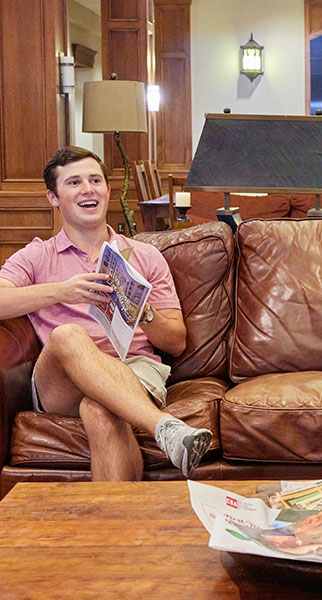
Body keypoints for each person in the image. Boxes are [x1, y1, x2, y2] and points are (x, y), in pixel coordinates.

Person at [0, 146, 212, 481]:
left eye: (95, 180)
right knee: (68, 334)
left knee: (100, 408)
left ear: (107, 191)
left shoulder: (144, 256)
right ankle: (164, 428)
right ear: (53, 198)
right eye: (74, 183)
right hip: (62, 378)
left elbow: (175, 343)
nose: (88, 189)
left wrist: (141, 311)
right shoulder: (38, 255)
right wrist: (61, 291)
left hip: (134, 367)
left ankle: (114, 532)